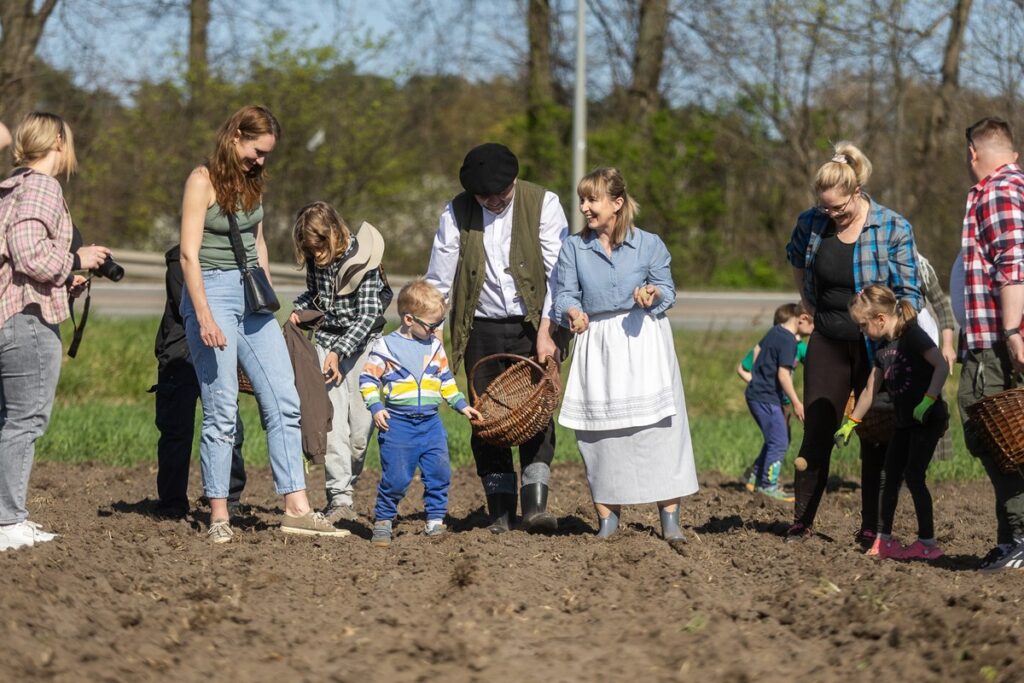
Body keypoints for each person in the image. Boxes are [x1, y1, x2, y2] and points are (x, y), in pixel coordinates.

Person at [178, 104, 344, 543]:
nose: (261, 160)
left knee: (284, 400)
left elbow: (257, 239)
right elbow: (188, 254)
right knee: (222, 409)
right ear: (235, 137)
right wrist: (204, 315)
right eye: (257, 151)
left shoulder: (253, 183)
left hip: (251, 298)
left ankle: (297, 507)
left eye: (267, 154)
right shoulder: (201, 181)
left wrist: (267, 292)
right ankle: (219, 514)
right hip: (210, 290)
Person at [425, 142, 568, 533]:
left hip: (533, 324)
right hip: (480, 327)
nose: (491, 201)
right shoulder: (456, 211)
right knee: (486, 419)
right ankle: (500, 511)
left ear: (514, 182)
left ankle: (535, 507)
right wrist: (431, 341)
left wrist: (547, 333)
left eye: (500, 195)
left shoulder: (544, 203)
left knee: (536, 412)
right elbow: (439, 282)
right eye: (483, 196)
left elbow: (559, 275)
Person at [785, 141, 922, 543]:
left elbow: (911, 292)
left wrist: (894, 336)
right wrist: (806, 300)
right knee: (818, 428)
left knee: (876, 433)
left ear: (857, 192)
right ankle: (802, 520)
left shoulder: (893, 226)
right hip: (828, 339)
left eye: (838, 208)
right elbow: (795, 257)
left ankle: (872, 527)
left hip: (875, 348)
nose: (830, 215)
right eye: (824, 207)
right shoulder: (810, 223)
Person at [554, 167, 699, 544]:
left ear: (617, 204)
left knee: (660, 431)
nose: (584, 207)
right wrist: (572, 312)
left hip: (643, 338)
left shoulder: (649, 243)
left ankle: (670, 520)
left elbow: (667, 290)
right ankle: (607, 520)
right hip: (598, 341)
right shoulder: (573, 247)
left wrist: (652, 295)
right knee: (600, 433)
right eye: (582, 199)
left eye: (592, 199)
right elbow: (564, 295)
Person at [0, 112, 111, 551]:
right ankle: (8, 521)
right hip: (28, 319)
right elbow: (27, 251)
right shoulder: (43, 187)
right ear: (59, 144)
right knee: (25, 421)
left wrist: (64, 275)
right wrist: (76, 261)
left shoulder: (9, 187)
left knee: (8, 421)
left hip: (6, 313)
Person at [290, 202, 393, 524]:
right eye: (310, 248)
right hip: (326, 342)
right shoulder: (315, 260)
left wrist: (341, 351)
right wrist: (299, 310)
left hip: (363, 347)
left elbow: (367, 316)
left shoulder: (366, 262)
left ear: (334, 233)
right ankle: (339, 498)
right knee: (333, 426)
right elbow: (317, 297)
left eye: (320, 245)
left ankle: (347, 487)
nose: (316, 254)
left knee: (360, 433)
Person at [358, 280, 481, 547]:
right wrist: (376, 406)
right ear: (409, 319)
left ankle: (435, 520)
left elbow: (446, 381)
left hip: (430, 423)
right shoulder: (385, 347)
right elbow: (368, 379)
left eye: (439, 325)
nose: (436, 331)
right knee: (397, 477)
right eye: (431, 326)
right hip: (398, 424)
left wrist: (461, 404)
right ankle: (383, 520)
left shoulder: (435, 347)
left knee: (439, 472)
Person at [957, 117, 1024, 571]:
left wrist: (1015, 333)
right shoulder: (1012, 185)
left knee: (997, 432)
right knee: (1003, 433)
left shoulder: (999, 191)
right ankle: (1010, 539)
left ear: (973, 152)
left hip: (998, 340)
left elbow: (1013, 264)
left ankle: (1020, 536)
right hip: (993, 336)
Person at [838, 285, 949, 561]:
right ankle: (883, 540)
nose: (862, 332)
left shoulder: (912, 337)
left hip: (927, 419)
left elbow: (942, 365)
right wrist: (852, 422)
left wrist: (928, 400)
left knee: (913, 476)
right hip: (903, 422)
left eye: (864, 326)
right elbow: (869, 391)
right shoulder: (882, 349)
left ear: (880, 319)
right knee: (888, 477)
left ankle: (927, 543)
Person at [152, 245, 247, 519]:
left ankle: (229, 497)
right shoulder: (178, 258)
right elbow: (189, 304)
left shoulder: (230, 256)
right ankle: (172, 503)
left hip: (216, 349)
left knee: (230, 427)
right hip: (180, 353)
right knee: (176, 431)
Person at [743, 303, 814, 502]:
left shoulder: (775, 332)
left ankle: (757, 477)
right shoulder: (790, 341)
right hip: (766, 397)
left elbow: (757, 352)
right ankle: (769, 485)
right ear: (802, 319)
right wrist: (797, 403)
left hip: (757, 394)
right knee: (780, 441)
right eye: (813, 323)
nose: (813, 329)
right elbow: (783, 375)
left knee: (774, 438)